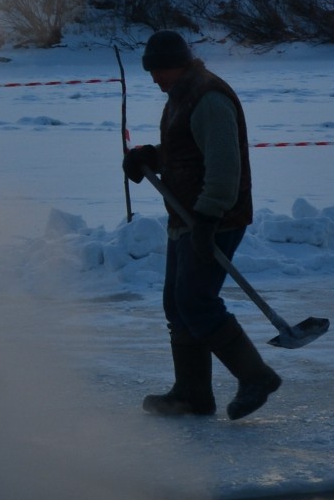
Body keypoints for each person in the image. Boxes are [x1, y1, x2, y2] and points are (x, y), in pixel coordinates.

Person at [120, 30, 282, 420]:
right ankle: (192, 394)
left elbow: (225, 166)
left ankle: (256, 376)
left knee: (195, 300)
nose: (153, 78)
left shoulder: (208, 97)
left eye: (157, 70)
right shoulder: (181, 96)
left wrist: (209, 217)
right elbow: (185, 151)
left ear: (175, 65)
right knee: (177, 304)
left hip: (215, 217)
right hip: (187, 216)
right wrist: (150, 157)